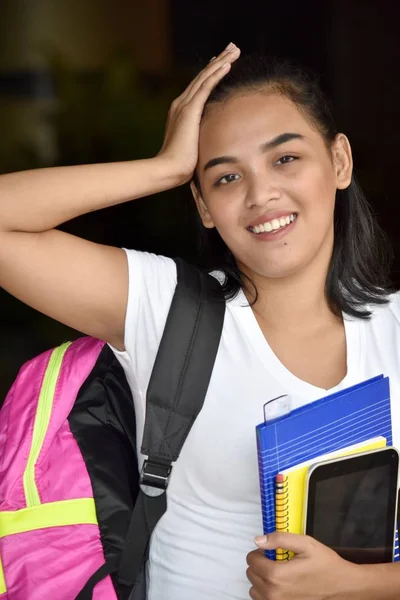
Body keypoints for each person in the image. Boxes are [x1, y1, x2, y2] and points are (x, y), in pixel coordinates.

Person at [0, 42, 399, 600]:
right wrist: (162, 166)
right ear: (204, 206)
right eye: (226, 178)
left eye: (285, 158)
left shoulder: (395, 328)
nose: (262, 194)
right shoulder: (166, 309)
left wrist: (359, 585)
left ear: (339, 161)